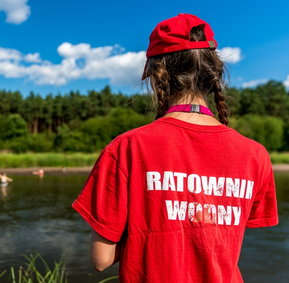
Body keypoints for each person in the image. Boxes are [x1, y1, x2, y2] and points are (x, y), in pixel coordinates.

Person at [72, 14, 278, 283]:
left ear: (157, 74)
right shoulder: (256, 154)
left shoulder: (126, 148)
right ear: (212, 73)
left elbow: (102, 260)